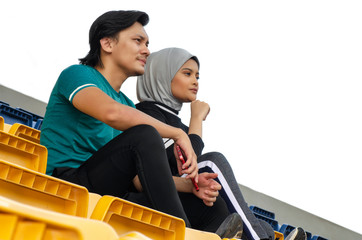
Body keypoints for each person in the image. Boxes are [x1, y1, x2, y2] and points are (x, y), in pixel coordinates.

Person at [39, 10, 241, 238]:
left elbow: (138, 178)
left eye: (147, 43)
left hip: (110, 188)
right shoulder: (77, 75)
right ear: (107, 43)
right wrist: (178, 134)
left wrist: (192, 187)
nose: (146, 50)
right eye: (138, 41)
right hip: (65, 183)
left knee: (209, 207)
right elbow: (110, 113)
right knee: (144, 135)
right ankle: (183, 235)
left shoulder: (126, 104)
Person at [136, 47, 308, 240]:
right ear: (161, 76)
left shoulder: (177, 123)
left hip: (181, 199)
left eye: (197, 77)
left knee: (263, 226)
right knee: (212, 162)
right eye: (187, 73)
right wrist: (197, 119)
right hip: (152, 199)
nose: (195, 81)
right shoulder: (146, 114)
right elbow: (187, 163)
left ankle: (260, 234)